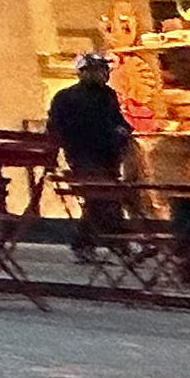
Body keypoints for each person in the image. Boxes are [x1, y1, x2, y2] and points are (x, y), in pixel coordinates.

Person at [48, 54, 135, 259]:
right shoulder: (66, 98)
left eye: (104, 70)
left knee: (98, 200)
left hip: (109, 156)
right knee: (103, 198)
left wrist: (123, 131)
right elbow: (57, 128)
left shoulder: (108, 95)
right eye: (97, 70)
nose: (103, 74)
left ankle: (86, 244)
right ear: (83, 72)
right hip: (84, 155)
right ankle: (120, 245)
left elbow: (117, 120)